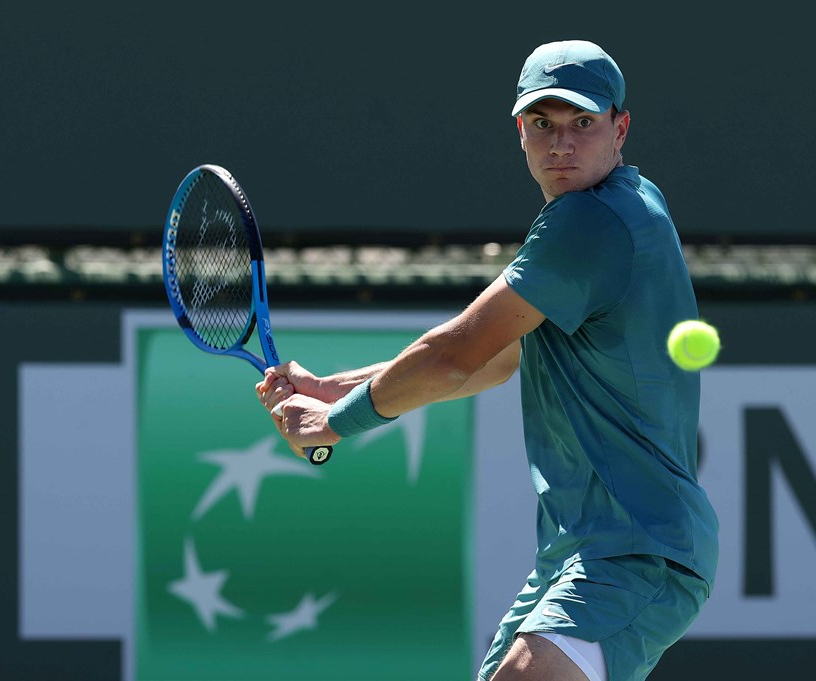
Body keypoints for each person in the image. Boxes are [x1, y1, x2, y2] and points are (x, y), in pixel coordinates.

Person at [256, 39, 718, 681]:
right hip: (590, 549)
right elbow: (496, 359)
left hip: (635, 549)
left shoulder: (590, 222)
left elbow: (452, 355)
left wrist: (336, 424)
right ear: (520, 132)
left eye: (583, 123)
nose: (561, 143)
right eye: (543, 124)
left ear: (621, 128)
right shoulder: (626, 202)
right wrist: (335, 389)